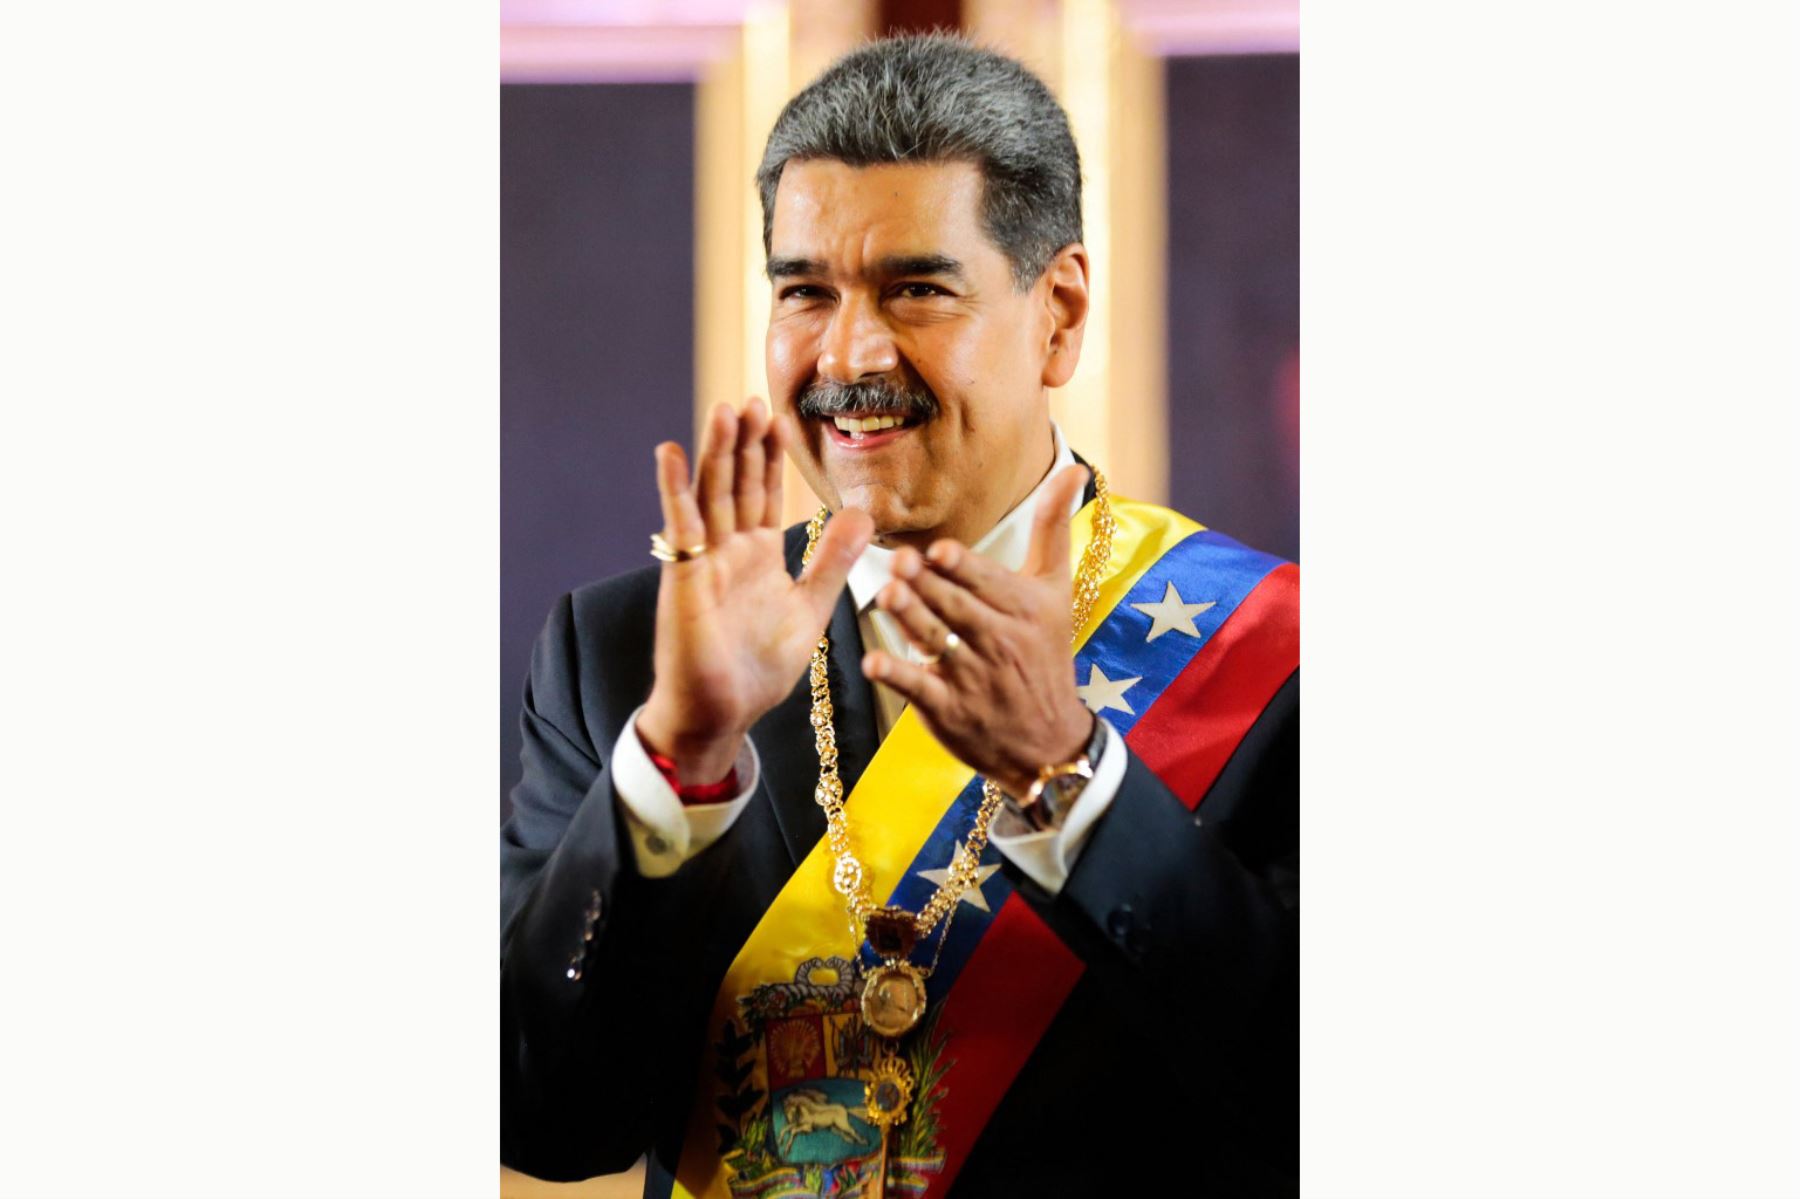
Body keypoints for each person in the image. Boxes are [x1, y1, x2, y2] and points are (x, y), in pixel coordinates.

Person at [502, 33, 1298, 1198]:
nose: (852, 353)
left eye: (917, 289)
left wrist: (1074, 781)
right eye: (805, 292)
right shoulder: (624, 657)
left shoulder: (1274, 659)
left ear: (1059, 314)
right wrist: (679, 763)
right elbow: (548, 1119)